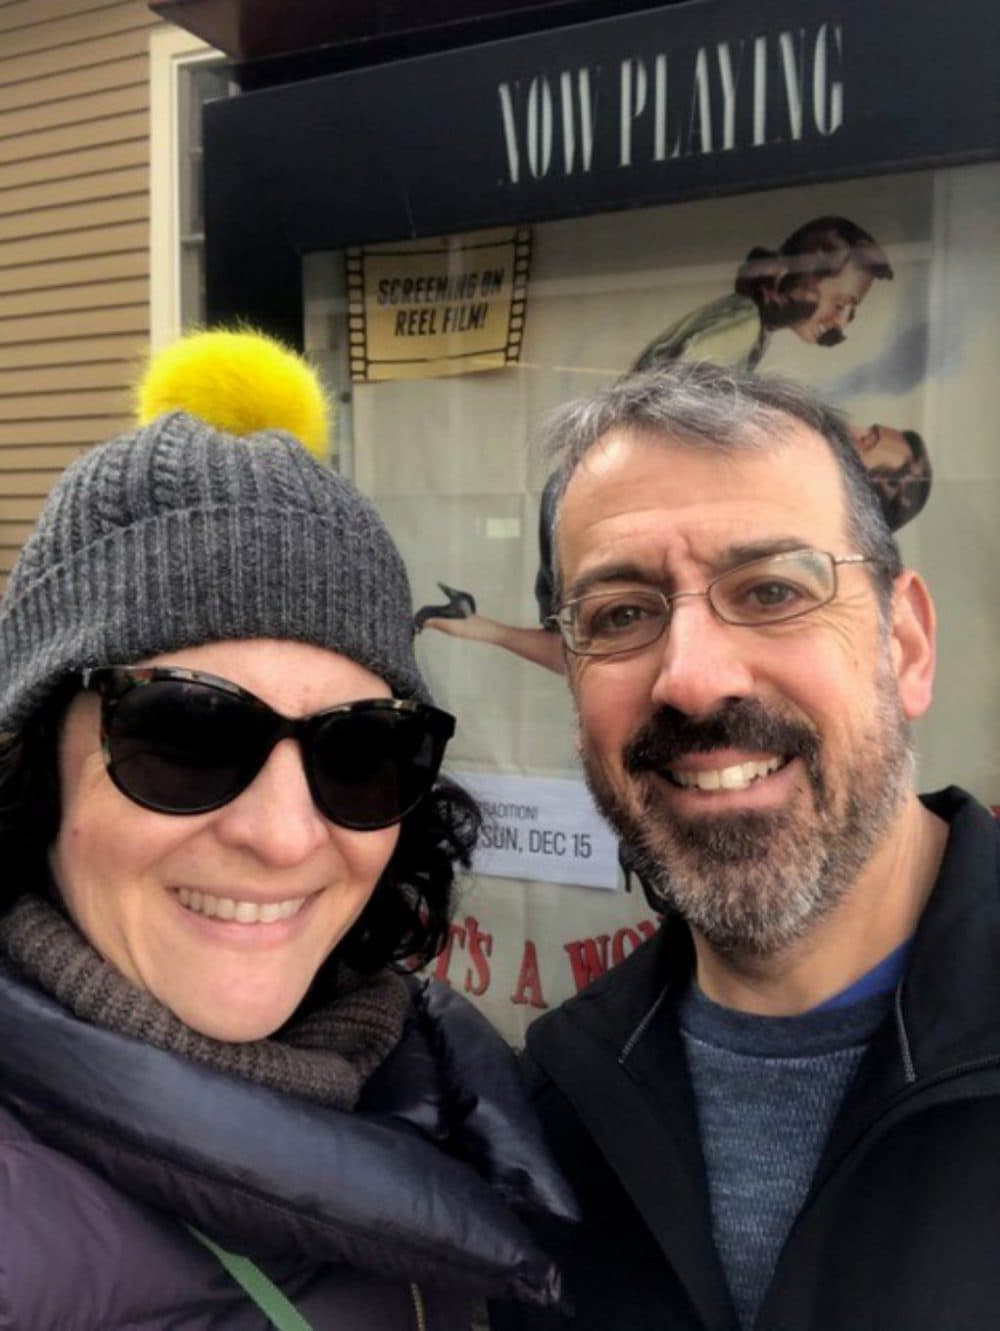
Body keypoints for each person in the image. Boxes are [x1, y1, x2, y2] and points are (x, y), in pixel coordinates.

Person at [0, 330, 575, 1330]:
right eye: (184, 732)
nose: (281, 834)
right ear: (34, 758)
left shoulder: (455, 1098)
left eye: (358, 750)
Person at [491, 361, 1000, 1331]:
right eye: (622, 615)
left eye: (769, 588)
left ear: (906, 647)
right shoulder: (551, 1114)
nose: (691, 676)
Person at [418, 217, 901, 670]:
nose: (843, 321)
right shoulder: (739, 330)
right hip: (595, 490)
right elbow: (674, 437)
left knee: (603, 647)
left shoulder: (740, 324)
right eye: (843, 304)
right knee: (601, 648)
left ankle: (472, 623)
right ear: (807, 281)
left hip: (585, 487)